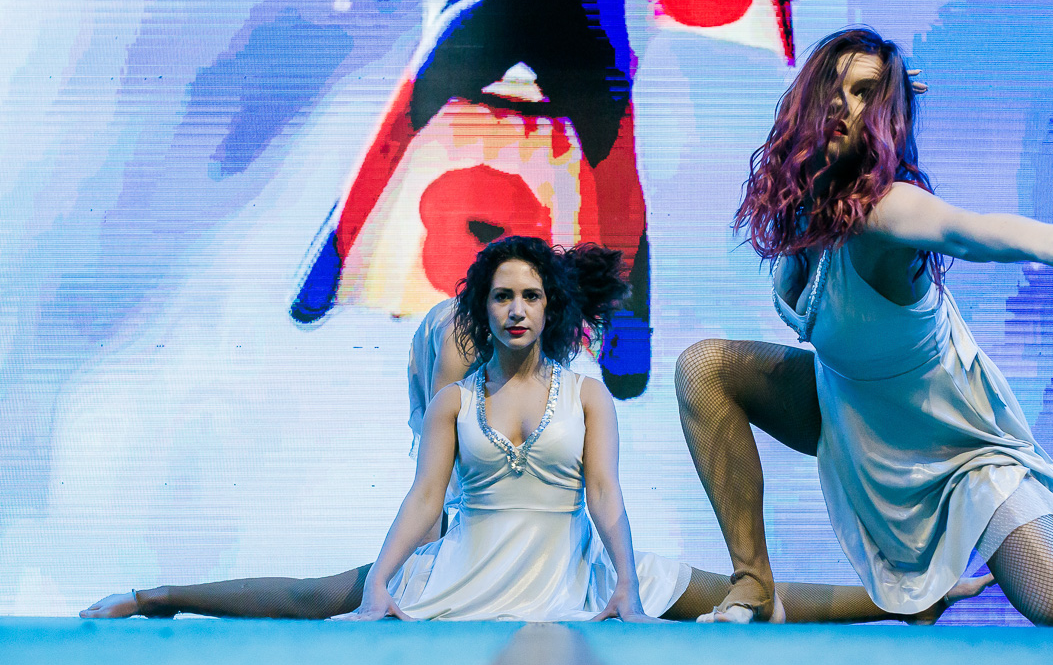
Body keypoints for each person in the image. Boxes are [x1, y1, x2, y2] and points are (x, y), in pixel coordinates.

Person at [82, 236, 987, 622]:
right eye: (500, 296)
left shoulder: (586, 392)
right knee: (316, 596)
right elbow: (421, 499)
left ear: (550, 307)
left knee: (767, 603)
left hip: (578, 567)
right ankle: (155, 596)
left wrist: (625, 584)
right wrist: (383, 580)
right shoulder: (452, 394)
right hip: (462, 564)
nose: (515, 308)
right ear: (482, 308)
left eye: (529, 295)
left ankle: (918, 599)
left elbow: (607, 495)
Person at [675, 27, 1053, 626]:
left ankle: (1017, 520)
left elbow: (961, 231)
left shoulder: (884, 208)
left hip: (952, 442)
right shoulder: (801, 202)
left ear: (884, 120)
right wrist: (887, 88)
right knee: (704, 369)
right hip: (851, 415)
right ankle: (752, 584)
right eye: (833, 88)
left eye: (864, 95)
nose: (841, 105)